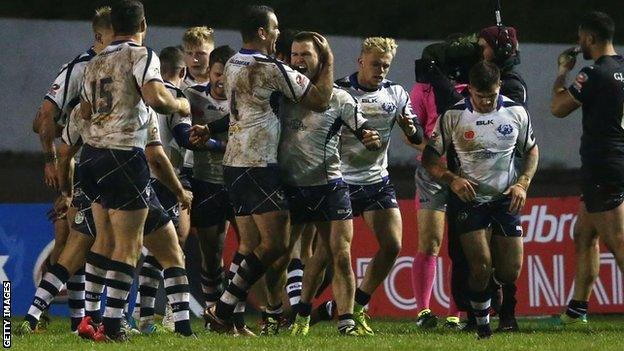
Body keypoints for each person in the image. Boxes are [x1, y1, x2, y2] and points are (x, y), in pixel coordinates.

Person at [201, 5, 335, 335]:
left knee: (249, 245)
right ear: (262, 32)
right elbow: (319, 100)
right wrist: (328, 60)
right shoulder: (269, 68)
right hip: (257, 163)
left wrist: (212, 128)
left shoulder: (233, 63)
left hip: (233, 162)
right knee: (276, 243)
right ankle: (222, 308)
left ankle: (227, 317)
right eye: (274, 28)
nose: (278, 33)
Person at [75, 0, 192, 340]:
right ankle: (110, 326)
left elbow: (84, 109)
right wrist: (180, 103)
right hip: (123, 157)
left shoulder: (94, 62)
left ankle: (182, 328)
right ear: (144, 25)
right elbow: (156, 97)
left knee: (165, 246)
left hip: (92, 158)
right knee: (127, 246)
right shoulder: (141, 55)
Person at [423, 61, 539, 339]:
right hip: (470, 199)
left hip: (504, 198)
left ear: (499, 87)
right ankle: (483, 324)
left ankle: (488, 296)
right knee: (481, 265)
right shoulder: (454, 115)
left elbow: (532, 151)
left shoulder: (515, 112)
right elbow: (429, 159)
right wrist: (453, 179)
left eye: (492, 95)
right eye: (480, 96)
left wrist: (522, 183)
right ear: (470, 90)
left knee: (510, 271)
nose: (486, 101)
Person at [277, 32, 381, 336]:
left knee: (340, 252)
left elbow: (364, 130)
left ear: (321, 60)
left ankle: (346, 320)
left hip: (329, 185)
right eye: (294, 55)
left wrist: (370, 138)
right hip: (291, 186)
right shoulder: (281, 96)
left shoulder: (339, 98)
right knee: (279, 255)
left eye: (305, 55)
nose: (298, 61)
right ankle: (288, 314)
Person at [22, 6, 114, 334]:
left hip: (90, 161)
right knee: (70, 241)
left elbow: (42, 119)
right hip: (73, 163)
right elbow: (42, 119)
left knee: (80, 241)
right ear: (100, 36)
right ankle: (44, 315)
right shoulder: (81, 66)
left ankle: (78, 320)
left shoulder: (115, 62)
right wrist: (52, 162)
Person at [322, 36, 422, 336]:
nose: (380, 70)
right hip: (340, 180)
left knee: (392, 245)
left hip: (377, 181)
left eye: (386, 65)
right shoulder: (339, 91)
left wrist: (410, 128)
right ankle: (321, 314)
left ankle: (357, 303)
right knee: (336, 253)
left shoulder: (396, 93)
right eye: (375, 63)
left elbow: (416, 137)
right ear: (361, 61)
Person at [550, 11, 624, 326]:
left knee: (618, 242)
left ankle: (576, 310)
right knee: (584, 235)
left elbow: (558, 108)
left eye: (582, 36)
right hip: (616, 161)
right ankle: (576, 310)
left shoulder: (592, 74)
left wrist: (561, 73)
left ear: (589, 38)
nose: (580, 41)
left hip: (603, 166)